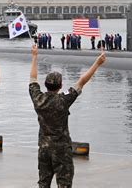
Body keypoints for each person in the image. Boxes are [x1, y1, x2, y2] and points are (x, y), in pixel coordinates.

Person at [29, 44, 106, 188]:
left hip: (44, 149)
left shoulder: (37, 99)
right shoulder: (64, 100)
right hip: (61, 150)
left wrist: (34, 56)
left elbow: (33, 79)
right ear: (60, 85)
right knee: (64, 184)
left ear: (45, 85)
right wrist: (98, 63)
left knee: (43, 183)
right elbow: (81, 82)